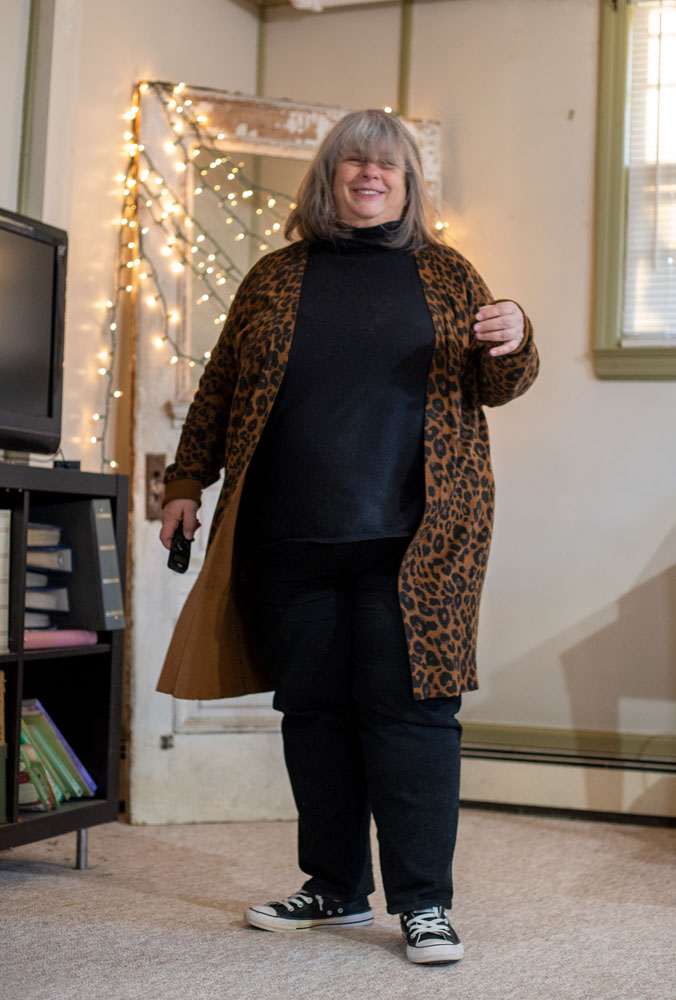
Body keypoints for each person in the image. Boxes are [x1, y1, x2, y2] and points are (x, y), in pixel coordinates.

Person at [158, 108, 539, 965]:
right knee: (315, 716)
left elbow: (499, 378)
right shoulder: (274, 276)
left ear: (408, 185)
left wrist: (516, 336)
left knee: (414, 718)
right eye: (353, 163)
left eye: (388, 167)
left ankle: (424, 904)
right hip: (290, 538)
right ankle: (333, 887)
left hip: (420, 541)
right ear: (327, 178)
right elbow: (220, 388)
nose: (371, 176)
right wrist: (187, 482)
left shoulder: (447, 273)